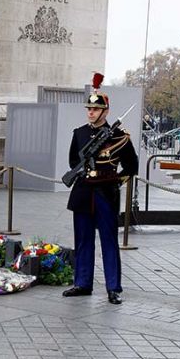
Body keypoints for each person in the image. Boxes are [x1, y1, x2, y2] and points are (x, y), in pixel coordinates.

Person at [62, 74, 138, 305]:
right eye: (89, 109)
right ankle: (82, 283)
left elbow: (132, 165)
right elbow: (73, 161)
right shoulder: (80, 133)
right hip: (84, 191)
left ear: (105, 111)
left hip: (106, 193)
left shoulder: (119, 136)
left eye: (96, 109)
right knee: (83, 239)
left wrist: (115, 180)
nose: (91, 113)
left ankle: (113, 288)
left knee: (108, 240)